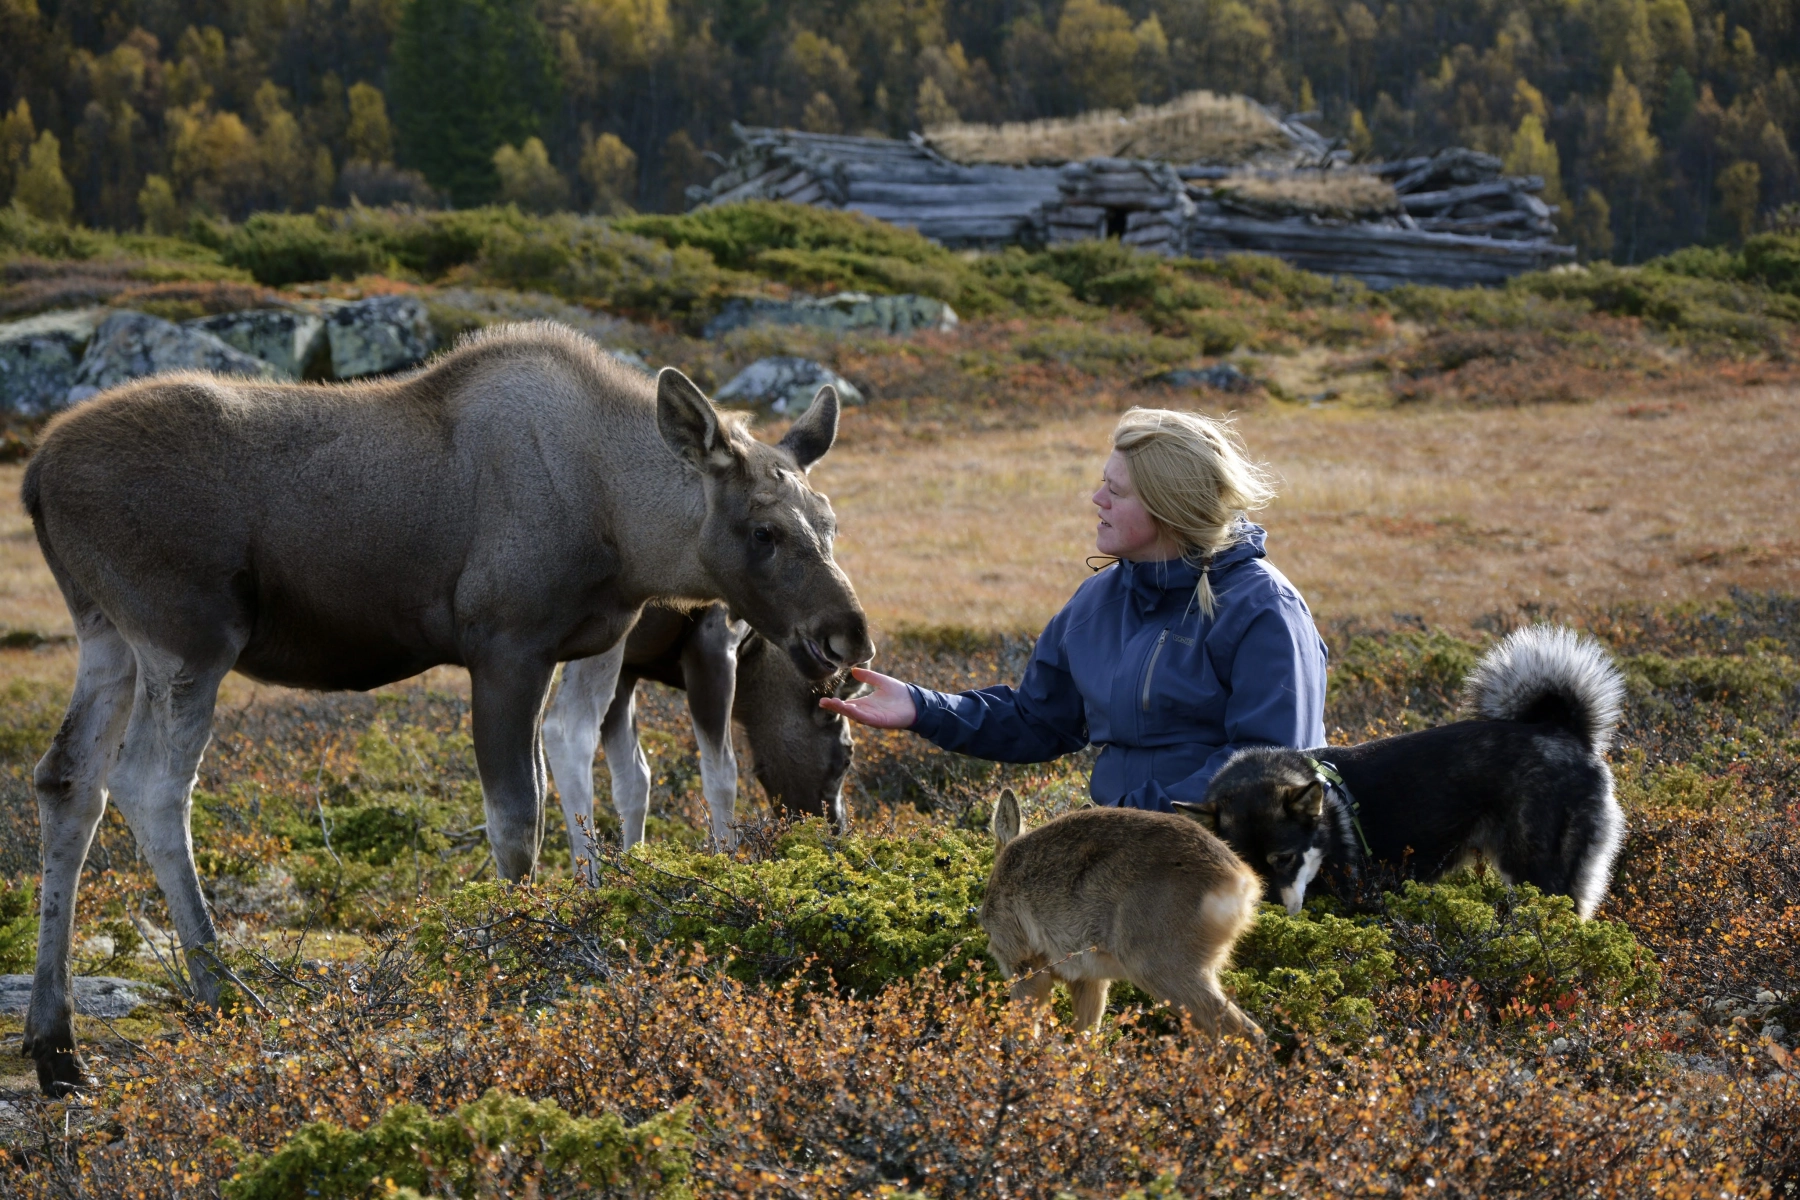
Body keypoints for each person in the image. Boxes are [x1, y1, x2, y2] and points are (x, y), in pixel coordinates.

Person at [822, 407, 1328, 812]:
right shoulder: (1100, 600)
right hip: (1123, 851)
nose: (1096, 498)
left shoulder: (1263, 608)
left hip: (1230, 862)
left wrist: (1134, 824)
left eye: (1116, 491)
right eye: (1103, 483)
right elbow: (1037, 721)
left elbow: (1271, 768)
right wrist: (922, 707)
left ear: (1168, 506)